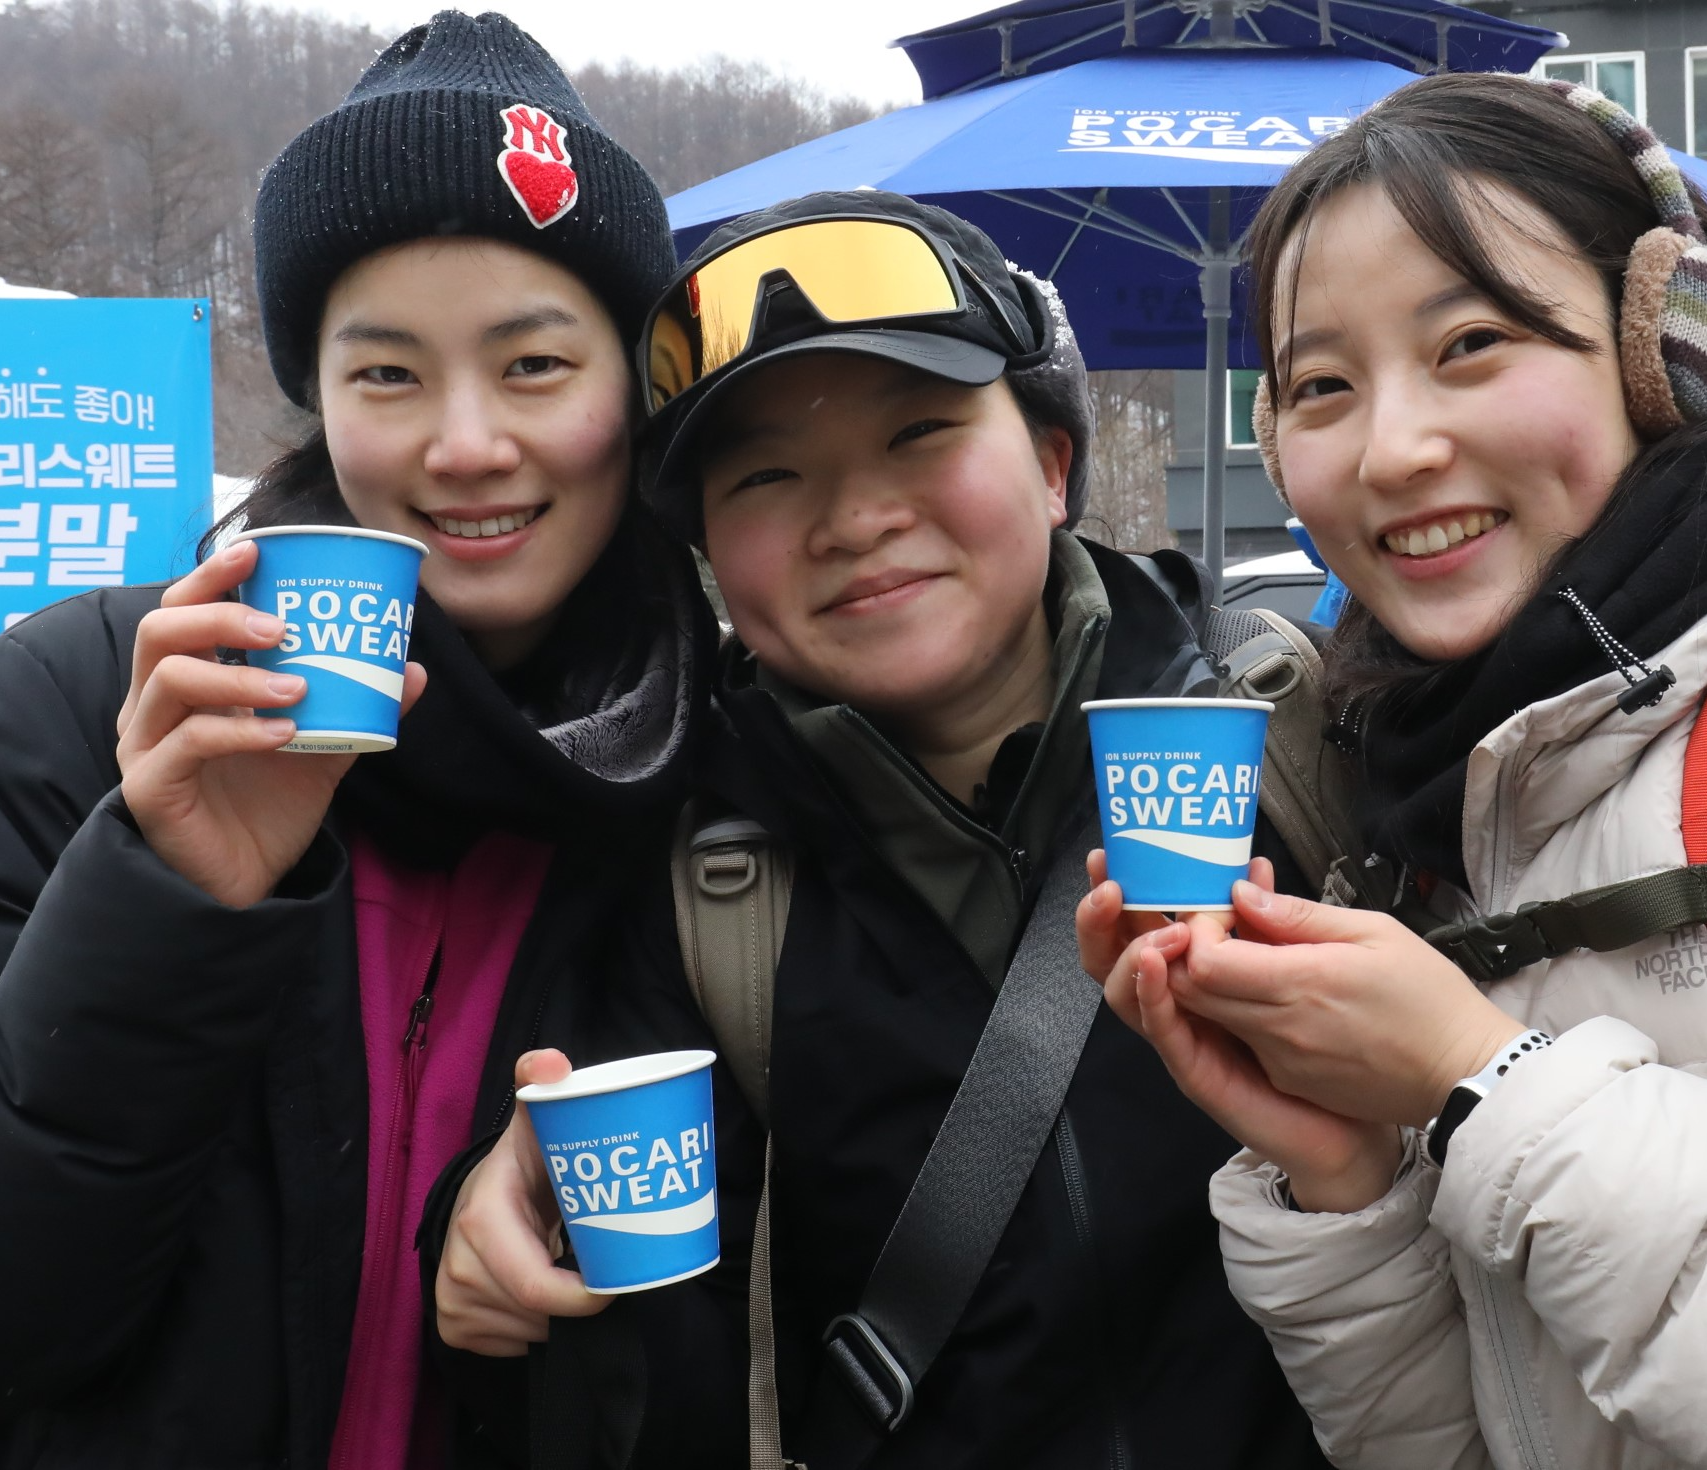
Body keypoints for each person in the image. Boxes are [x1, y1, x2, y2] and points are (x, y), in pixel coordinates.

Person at [1079, 73, 1707, 1469]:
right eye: (1322, 385)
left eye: (1472, 343)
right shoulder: (1444, 777)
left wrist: (1476, 1075)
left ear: (1657, 356)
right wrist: (1341, 1169)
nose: (1391, 449)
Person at [0, 13, 722, 1465]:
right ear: (317, 400)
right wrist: (165, 893)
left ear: (633, 394)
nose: (463, 444)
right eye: (387, 374)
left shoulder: (715, 767)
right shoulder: (72, 708)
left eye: (534, 365)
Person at [429, 191, 1332, 1469]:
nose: (854, 519)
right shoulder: (682, 874)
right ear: (707, 557)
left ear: (1056, 463)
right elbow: (639, 1348)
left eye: (920, 432)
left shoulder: (1295, 739)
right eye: (768, 475)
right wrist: (485, 1235)